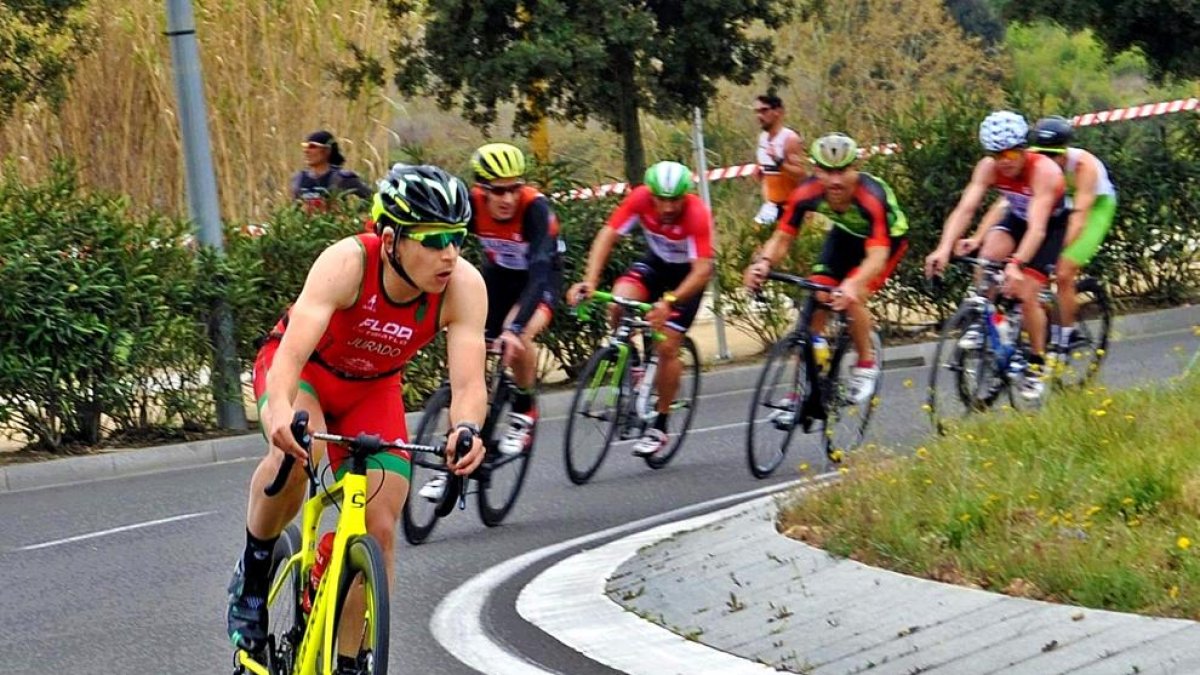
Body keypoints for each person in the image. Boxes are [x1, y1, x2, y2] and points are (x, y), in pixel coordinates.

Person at [226, 164, 488, 670]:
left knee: (381, 525)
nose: (450, 254)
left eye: (457, 237)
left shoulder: (464, 287)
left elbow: (469, 384)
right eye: (434, 240)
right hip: (306, 375)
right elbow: (292, 353)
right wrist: (280, 410)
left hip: (373, 389)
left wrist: (465, 429)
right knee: (304, 453)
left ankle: (347, 661)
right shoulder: (347, 262)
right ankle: (253, 573)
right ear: (390, 238)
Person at [416, 143, 563, 501]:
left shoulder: (536, 210)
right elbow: (448, 256)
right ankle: (454, 459)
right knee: (468, 367)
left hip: (538, 281)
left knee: (518, 338)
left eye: (514, 188)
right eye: (498, 190)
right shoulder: (469, 204)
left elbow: (541, 272)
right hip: (496, 278)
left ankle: (524, 409)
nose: (507, 198)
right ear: (481, 188)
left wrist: (515, 329)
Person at [743, 132, 909, 404]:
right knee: (817, 296)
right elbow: (783, 237)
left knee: (852, 297)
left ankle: (866, 364)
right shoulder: (807, 192)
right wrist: (763, 263)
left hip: (886, 242)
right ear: (815, 169)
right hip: (844, 236)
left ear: (855, 168)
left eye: (842, 171)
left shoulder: (871, 196)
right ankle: (800, 390)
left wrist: (853, 284)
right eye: (827, 171)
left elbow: (877, 256)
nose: (834, 180)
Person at [566, 161, 715, 457]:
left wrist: (669, 302)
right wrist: (590, 281)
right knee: (619, 300)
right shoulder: (639, 199)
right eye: (662, 199)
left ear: (685, 196)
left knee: (668, 346)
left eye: (675, 200)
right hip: (657, 265)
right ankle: (631, 361)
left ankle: (659, 424)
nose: (669, 207)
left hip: (687, 278)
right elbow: (607, 236)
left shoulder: (697, 213)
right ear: (651, 194)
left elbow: (702, 270)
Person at [924, 110, 1068, 399]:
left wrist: (1016, 264)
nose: (1004, 161)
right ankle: (986, 320)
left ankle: (1037, 363)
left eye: (1011, 155)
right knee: (988, 254)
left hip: (1048, 226)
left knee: (1027, 292)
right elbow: (966, 209)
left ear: (1023, 149)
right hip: (1017, 217)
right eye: (996, 154)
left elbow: (1038, 229)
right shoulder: (989, 167)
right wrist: (943, 247)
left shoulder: (1044, 172)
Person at [1028, 115, 1117, 356]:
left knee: (1064, 271)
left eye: (1054, 155)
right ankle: (1045, 325)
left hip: (1095, 207)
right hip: (1061, 204)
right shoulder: (1033, 164)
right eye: (1041, 155)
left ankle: (1065, 336)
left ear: (1065, 151)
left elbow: (1079, 216)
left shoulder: (1083, 165)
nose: (1048, 161)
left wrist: (1057, 249)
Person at [752, 94, 806, 227]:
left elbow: (801, 175)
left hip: (791, 206)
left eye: (764, 110)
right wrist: (759, 172)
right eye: (757, 111)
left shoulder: (790, 139)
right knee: (757, 245)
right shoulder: (762, 138)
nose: (759, 116)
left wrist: (779, 162)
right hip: (770, 207)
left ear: (778, 112)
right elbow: (766, 172)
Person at [290, 130, 373, 210]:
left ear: (327, 150)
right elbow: (294, 211)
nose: (306, 151)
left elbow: (373, 199)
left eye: (313, 146)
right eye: (305, 146)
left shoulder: (342, 178)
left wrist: (353, 216)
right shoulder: (298, 179)